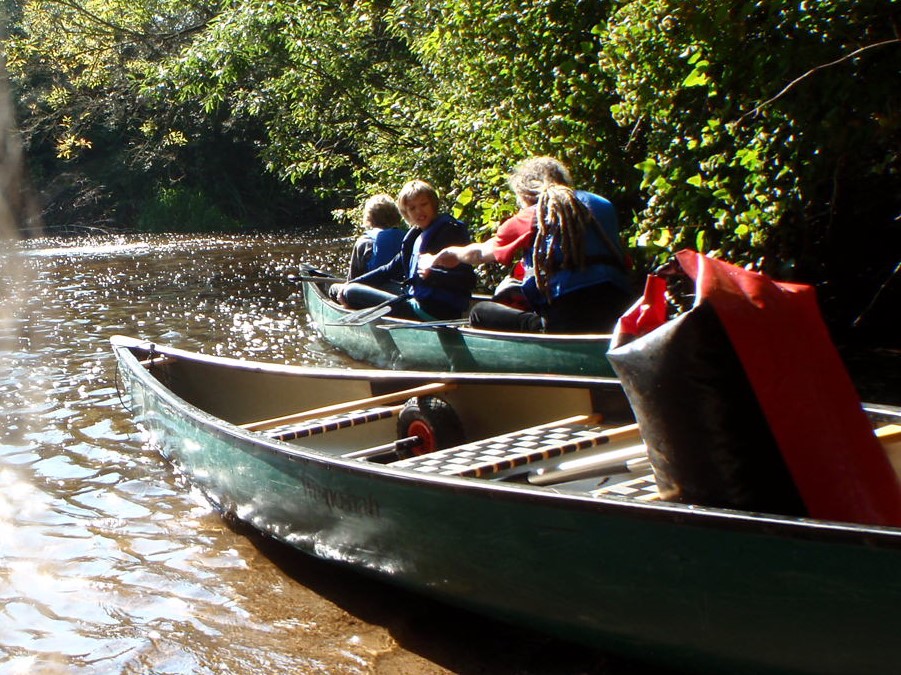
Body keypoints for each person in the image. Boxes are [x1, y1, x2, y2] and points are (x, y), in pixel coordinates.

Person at [419, 156, 633, 333]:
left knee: (479, 312)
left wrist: (442, 256)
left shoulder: (532, 215)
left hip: (566, 323)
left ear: (525, 194)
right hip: (620, 313)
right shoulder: (603, 205)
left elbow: (478, 254)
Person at [332, 180, 477, 320]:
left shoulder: (449, 232)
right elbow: (388, 270)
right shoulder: (416, 236)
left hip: (433, 311)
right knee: (337, 289)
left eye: (424, 204)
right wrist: (350, 283)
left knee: (351, 292)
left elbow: (468, 280)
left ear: (433, 204)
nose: (419, 211)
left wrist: (432, 275)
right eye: (412, 208)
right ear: (406, 213)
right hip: (416, 299)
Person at [329, 194, 405, 301]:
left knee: (333, 289)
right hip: (400, 291)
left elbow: (352, 279)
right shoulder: (406, 237)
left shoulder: (365, 240)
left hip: (372, 294)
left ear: (370, 217)